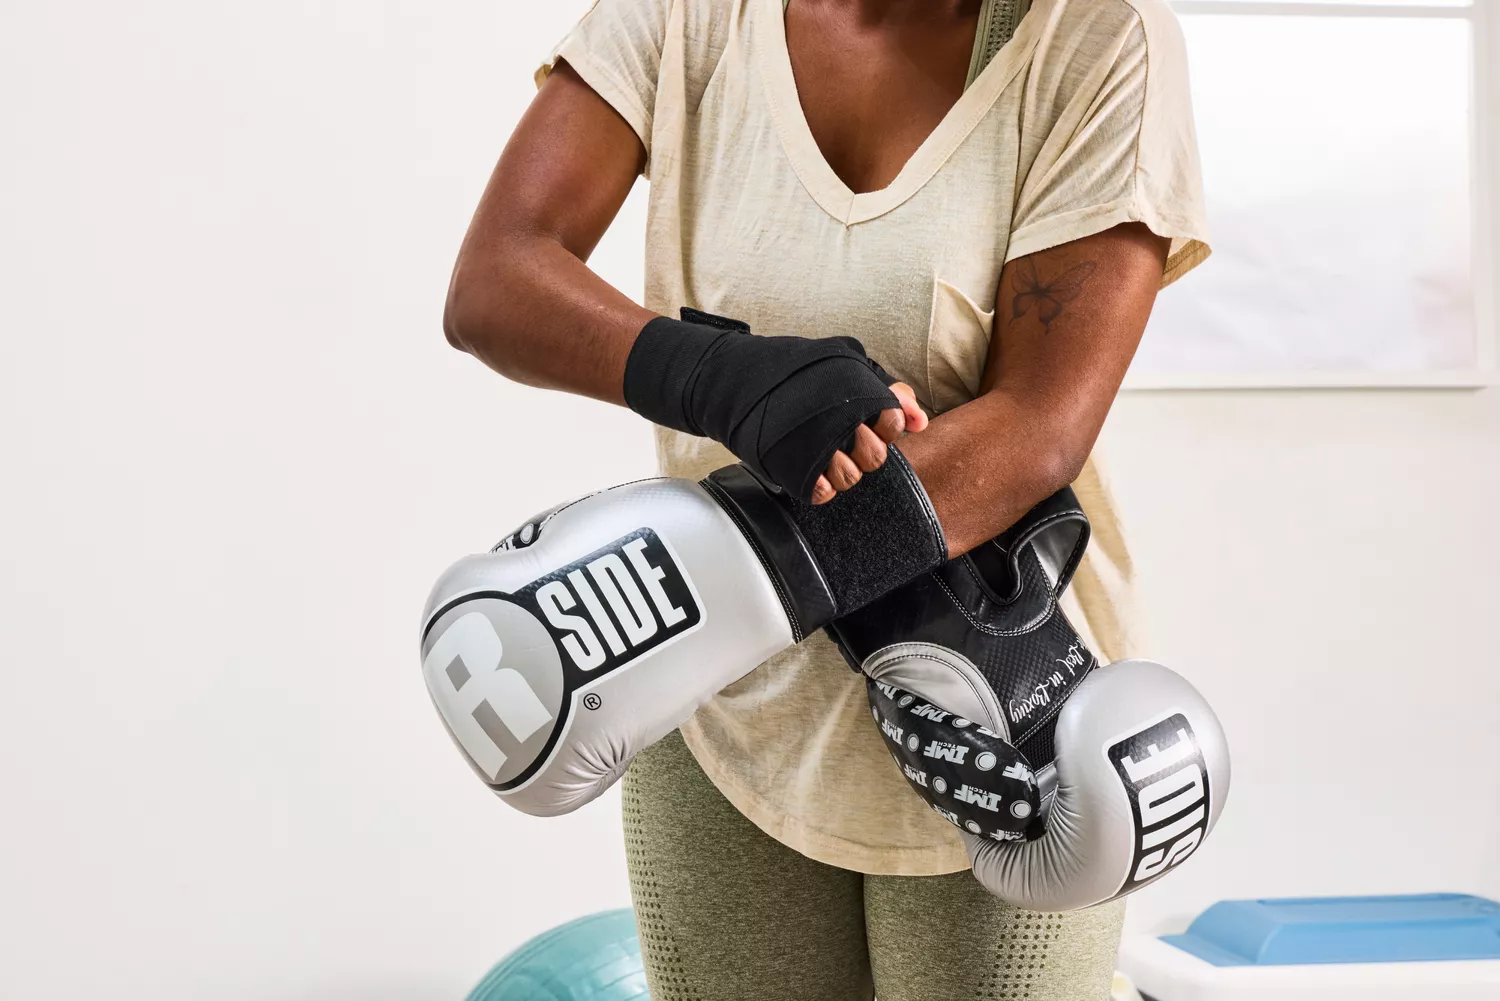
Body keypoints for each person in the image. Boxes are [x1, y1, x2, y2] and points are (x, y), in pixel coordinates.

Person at [441, 0, 1210, 997]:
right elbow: (497, 279)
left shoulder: (1099, 37)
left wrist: (701, 581)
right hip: (724, 715)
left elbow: (1037, 425)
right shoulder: (686, 17)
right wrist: (720, 375)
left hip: (995, 706)